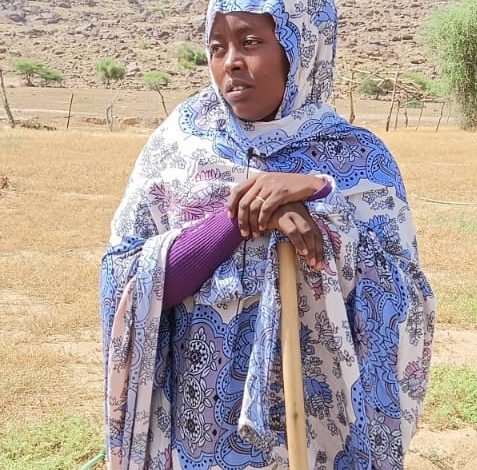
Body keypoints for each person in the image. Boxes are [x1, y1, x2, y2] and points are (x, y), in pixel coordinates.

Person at [100, 0, 436, 468]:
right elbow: (129, 282)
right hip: (201, 434)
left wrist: (323, 201)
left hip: (318, 433)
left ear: (300, 49)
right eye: (217, 47)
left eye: (251, 42)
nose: (231, 61)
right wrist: (240, 218)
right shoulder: (179, 148)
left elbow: (405, 300)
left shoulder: (358, 160)